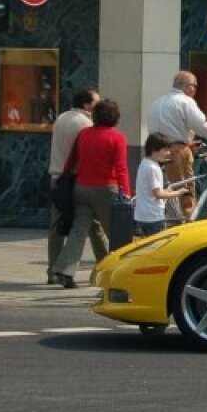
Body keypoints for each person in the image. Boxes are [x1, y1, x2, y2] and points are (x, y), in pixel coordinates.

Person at [52, 99, 130, 288]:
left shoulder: (84, 134)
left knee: (78, 231)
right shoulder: (117, 137)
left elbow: (71, 162)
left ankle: (65, 271)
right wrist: (126, 192)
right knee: (116, 232)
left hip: (81, 188)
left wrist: (65, 180)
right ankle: (122, 271)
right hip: (106, 189)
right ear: (115, 117)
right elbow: (121, 168)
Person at [146, 71, 207, 218]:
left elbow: (167, 129)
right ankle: (188, 225)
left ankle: (171, 218)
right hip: (177, 151)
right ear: (186, 86)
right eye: (195, 85)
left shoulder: (157, 102)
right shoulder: (185, 101)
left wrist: (187, 142)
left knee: (167, 188)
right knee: (186, 191)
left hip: (155, 151)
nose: (196, 89)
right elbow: (201, 125)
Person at [48, 87, 108, 281]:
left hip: (57, 178)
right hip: (77, 178)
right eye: (96, 102)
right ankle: (105, 266)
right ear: (87, 105)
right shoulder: (86, 124)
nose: (99, 105)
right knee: (94, 226)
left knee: (58, 225)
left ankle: (52, 270)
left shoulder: (61, 118)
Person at [134, 132, 188, 237]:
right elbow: (158, 194)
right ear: (154, 150)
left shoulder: (144, 163)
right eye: (165, 150)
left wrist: (168, 191)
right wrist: (178, 192)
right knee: (157, 248)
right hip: (153, 216)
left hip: (142, 215)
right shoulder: (153, 168)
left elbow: (151, 191)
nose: (168, 153)